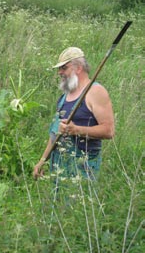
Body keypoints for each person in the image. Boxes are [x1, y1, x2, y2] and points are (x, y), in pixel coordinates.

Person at [33, 47, 115, 182]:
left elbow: (109, 131)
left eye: (64, 68)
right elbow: (55, 133)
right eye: (59, 69)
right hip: (59, 166)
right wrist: (42, 160)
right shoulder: (64, 97)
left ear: (78, 68)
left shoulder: (95, 92)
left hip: (83, 168)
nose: (60, 72)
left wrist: (77, 130)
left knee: (79, 203)